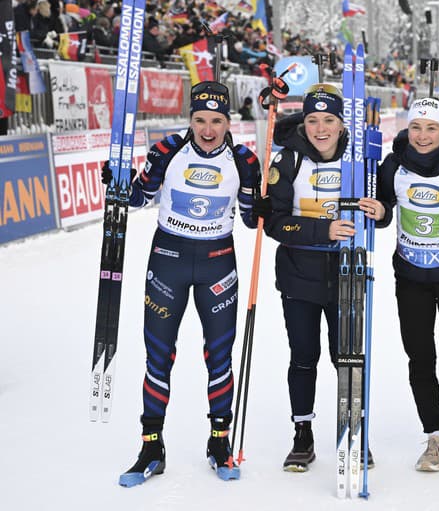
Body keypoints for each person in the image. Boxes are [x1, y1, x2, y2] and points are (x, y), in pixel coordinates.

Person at [114, 81, 261, 486]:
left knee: (219, 357)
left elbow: (251, 218)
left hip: (217, 265)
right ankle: (151, 447)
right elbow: (140, 196)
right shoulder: (167, 150)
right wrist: (120, 181)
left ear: (228, 121)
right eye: (200, 120)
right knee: (158, 356)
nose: (208, 129)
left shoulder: (245, 160)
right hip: (168, 263)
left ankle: (219, 442)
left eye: (216, 120)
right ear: (190, 119)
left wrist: (264, 199)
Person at [253, 81, 389, 472]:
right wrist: (322, 230)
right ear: (304, 123)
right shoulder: (287, 161)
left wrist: (380, 213)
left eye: (328, 119)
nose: (320, 128)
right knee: (304, 357)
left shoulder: (361, 161)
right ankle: (303, 435)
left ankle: (355, 430)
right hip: (300, 276)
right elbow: (275, 224)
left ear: (342, 124)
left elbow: (378, 213)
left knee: (347, 357)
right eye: (312, 120)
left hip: (348, 274)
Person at [376, 97, 439, 472]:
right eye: (416, 127)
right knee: (420, 357)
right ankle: (434, 438)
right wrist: (381, 211)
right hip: (411, 276)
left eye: (431, 128)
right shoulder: (394, 166)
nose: (422, 135)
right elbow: (382, 210)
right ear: (407, 129)